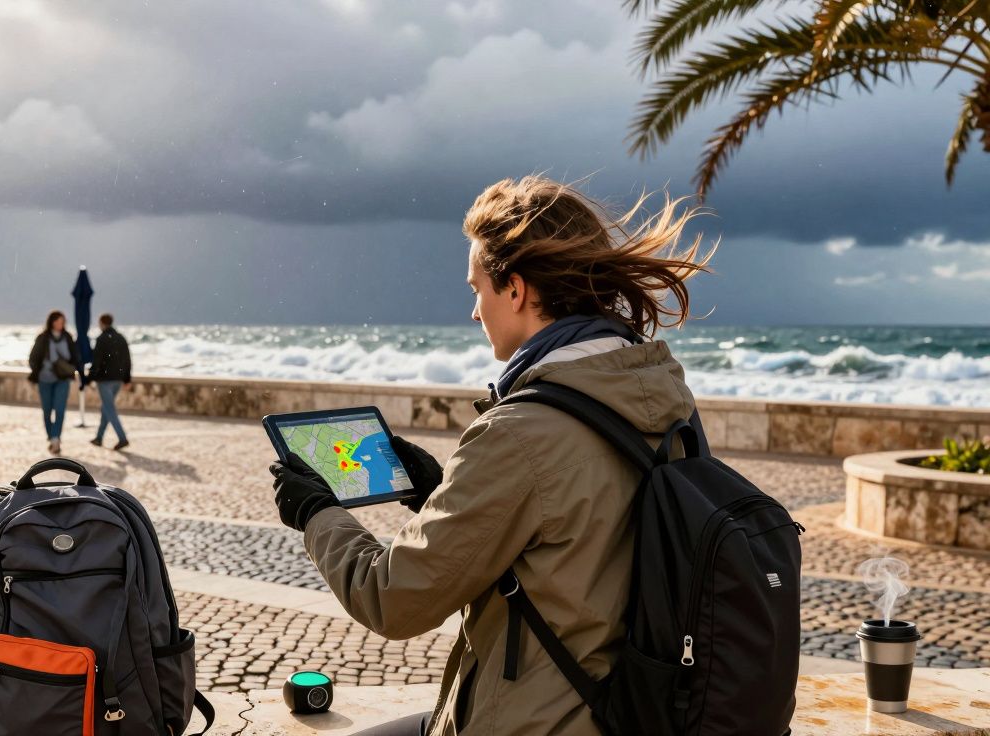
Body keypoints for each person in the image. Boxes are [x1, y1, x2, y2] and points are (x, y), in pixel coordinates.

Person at [269, 176, 715, 736]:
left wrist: (317, 514)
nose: (474, 312)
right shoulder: (663, 396)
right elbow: (582, 530)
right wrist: (439, 495)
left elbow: (390, 597)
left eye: (477, 288)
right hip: (641, 710)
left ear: (517, 291)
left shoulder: (524, 430)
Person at [27, 310, 78, 455]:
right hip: (45, 379)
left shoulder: (67, 337)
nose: (60, 324)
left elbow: (75, 356)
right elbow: (33, 358)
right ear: (51, 322)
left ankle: (56, 439)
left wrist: (73, 368)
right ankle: (51, 437)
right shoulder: (43, 338)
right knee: (47, 411)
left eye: (62, 321)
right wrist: (36, 371)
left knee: (60, 410)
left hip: (63, 379)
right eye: (57, 321)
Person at [88, 313, 132, 450]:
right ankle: (99, 437)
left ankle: (122, 438)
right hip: (118, 379)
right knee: (106, 408)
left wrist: (89, 378)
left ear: (101, 323)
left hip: (105, 380)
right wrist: (127, 378)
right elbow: (127, 360)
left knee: (110, 409)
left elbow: (97, 361)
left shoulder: (101, 339)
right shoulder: (121, 338)